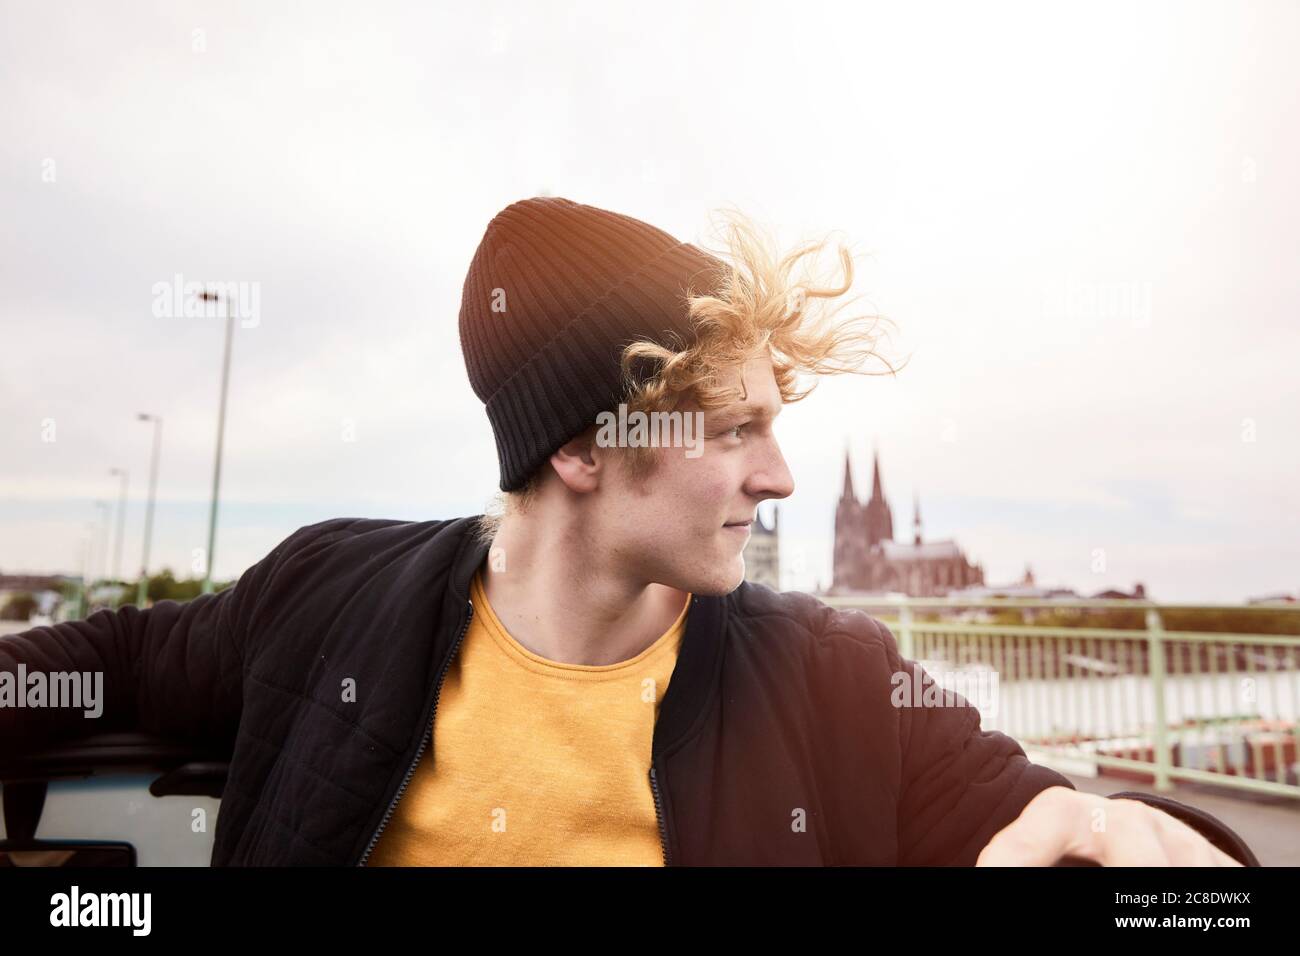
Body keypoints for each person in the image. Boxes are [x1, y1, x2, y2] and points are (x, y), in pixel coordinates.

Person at [0, 197, 1259, 867]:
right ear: (583, 445)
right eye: (731, 428)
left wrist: (1149, 836)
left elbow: (1071, 821)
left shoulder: (826, 675)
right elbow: (95, 660)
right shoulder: (327, 592)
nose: (777, 476)